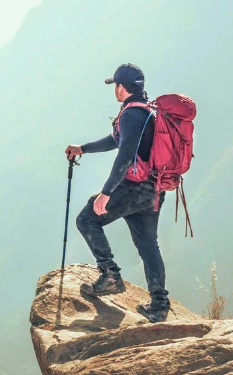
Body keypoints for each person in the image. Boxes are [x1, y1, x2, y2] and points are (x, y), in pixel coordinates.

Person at [65, 63, 170, 323]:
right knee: (148, 247)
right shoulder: (148, 111)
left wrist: (106, 193)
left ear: (120, 88)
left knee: (87, 219)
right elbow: (118, 141)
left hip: (133, 189)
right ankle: (159, 305)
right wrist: (84, 148)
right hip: (153, 189)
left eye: (115, 85)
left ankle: (110, 275)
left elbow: (124, 155)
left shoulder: (131, 114)